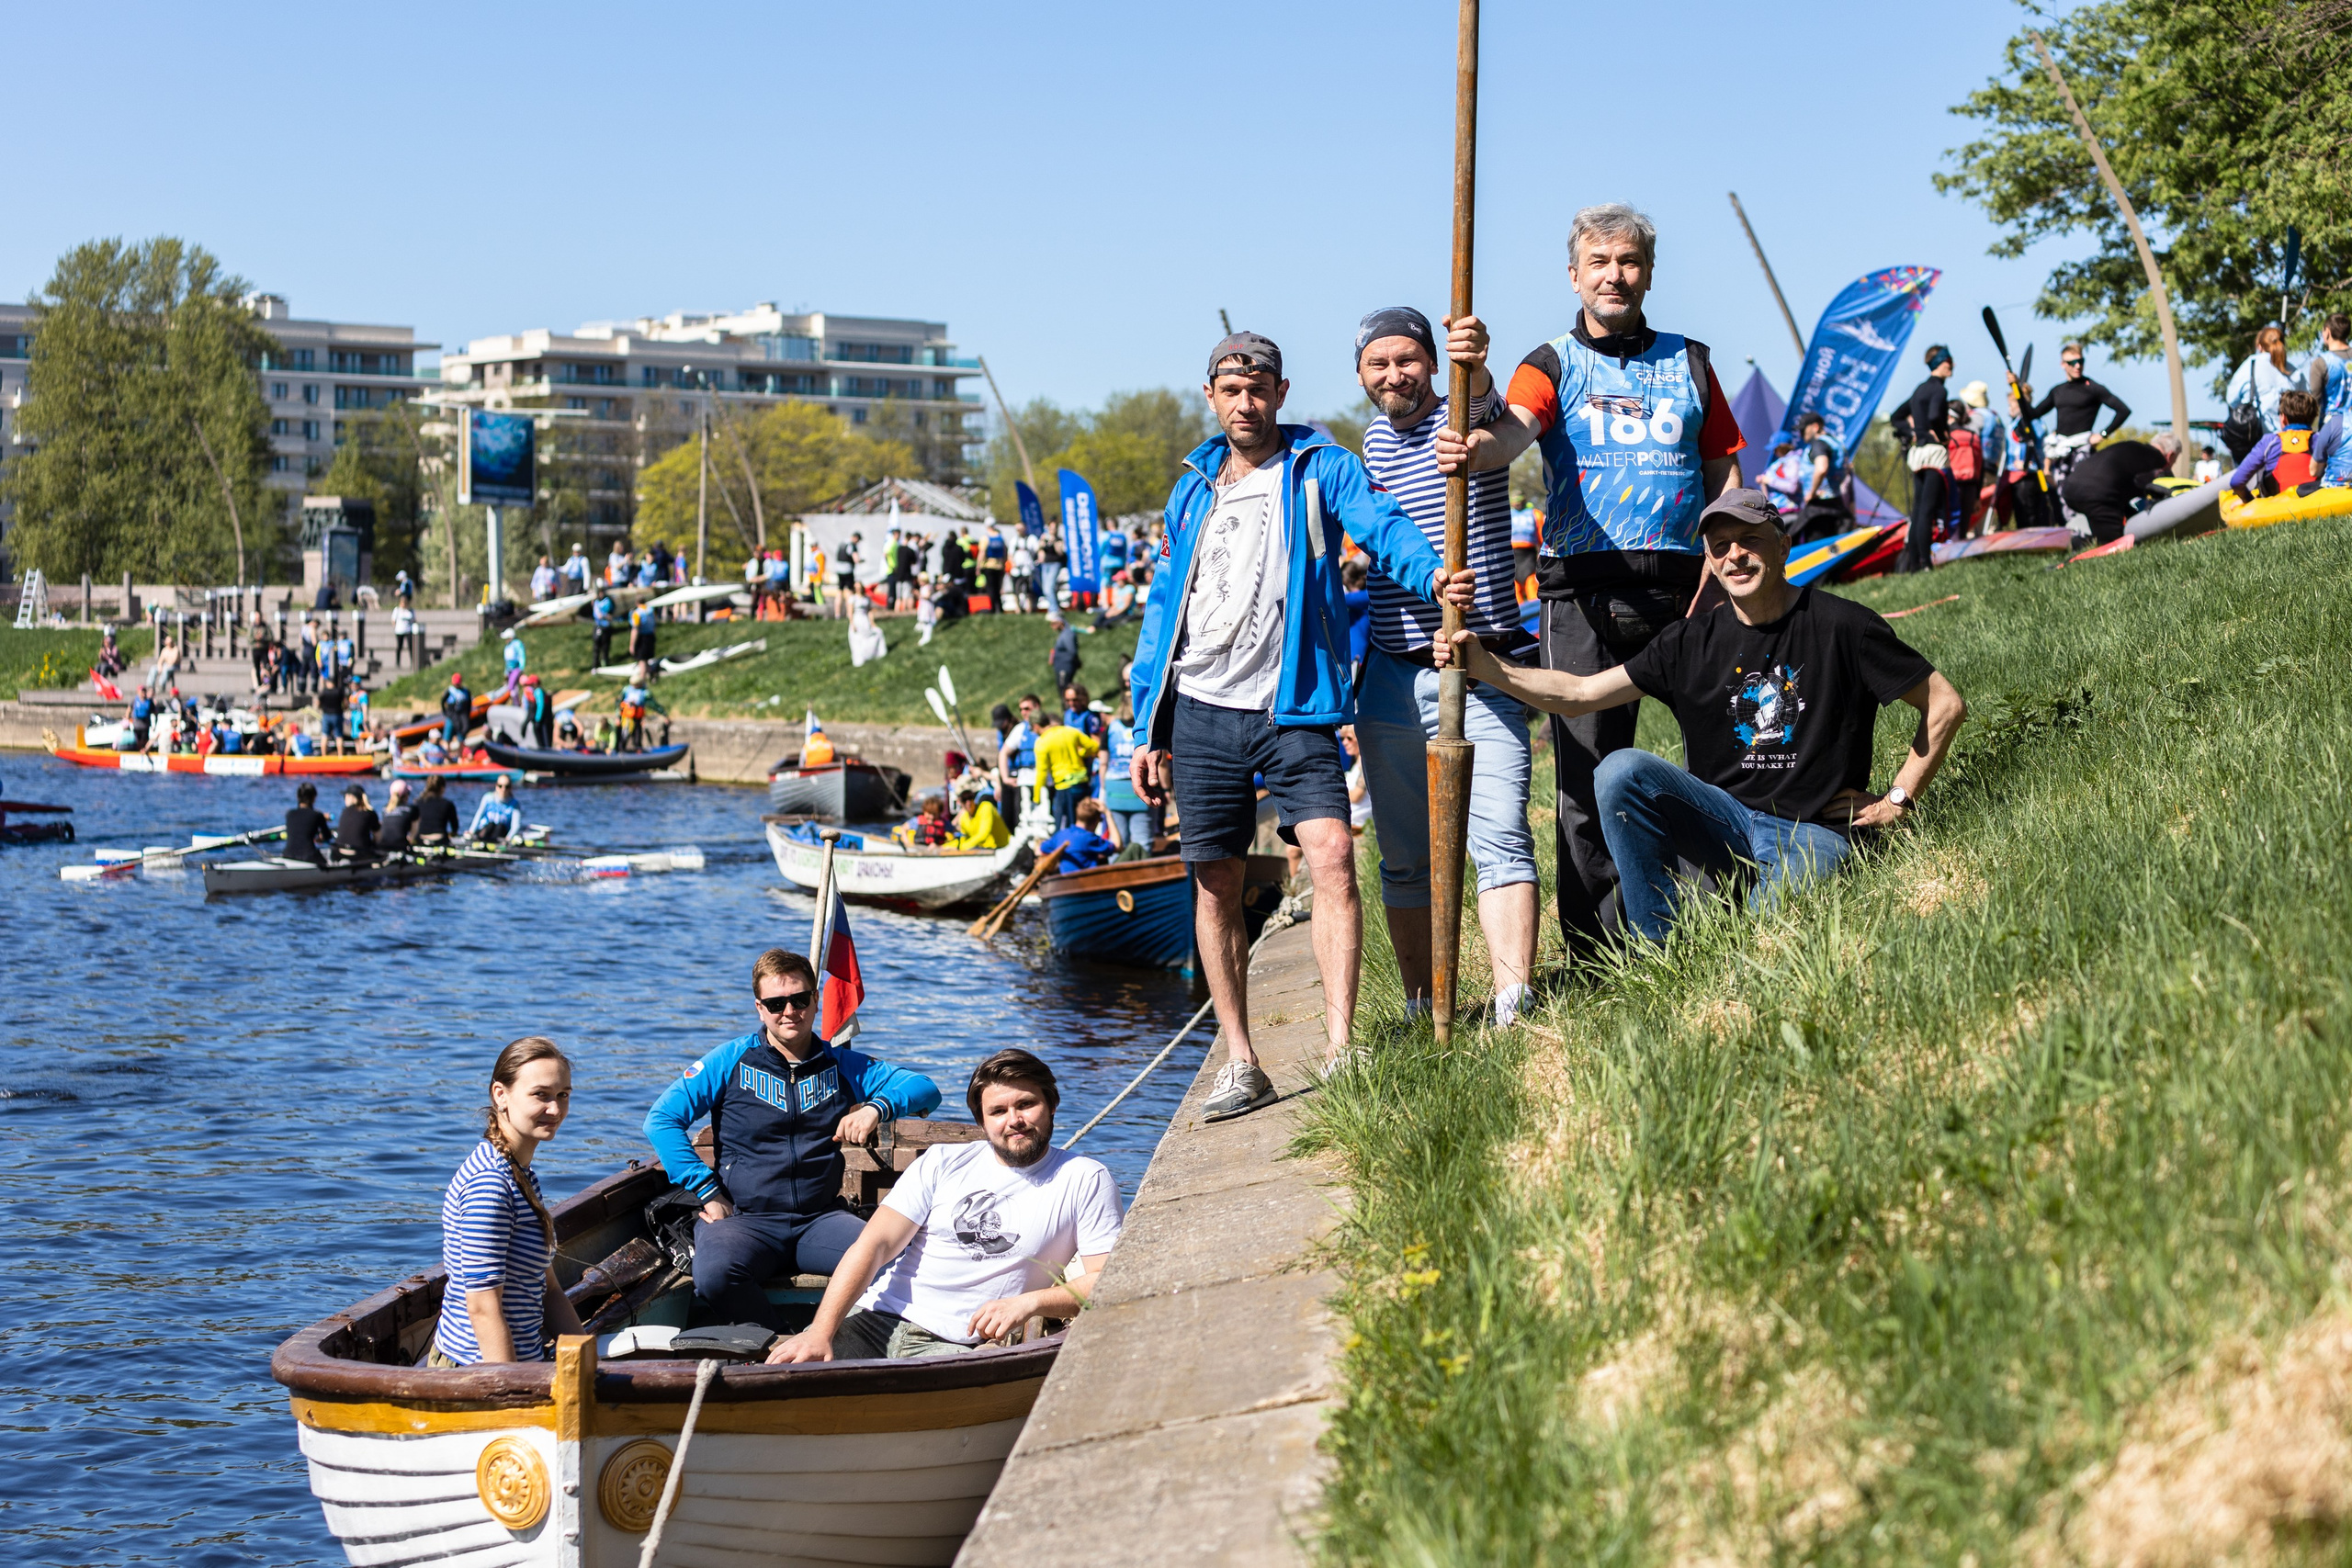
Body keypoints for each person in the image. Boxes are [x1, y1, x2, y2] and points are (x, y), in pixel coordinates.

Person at [1133, 329, 1476, 1114]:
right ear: (1212, 397)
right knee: (1216, 880)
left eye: (1259, 390)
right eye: (1231, 391)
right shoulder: (1192, 486)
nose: (1245, 403)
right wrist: (1143, 727)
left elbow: (1380, 526)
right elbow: (1163, 610)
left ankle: (1342, 1047)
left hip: (1296, 705)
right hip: (1201, 708)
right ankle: (1243, 1059)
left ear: (1281, 394)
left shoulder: (1321, 466)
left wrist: (1433, 576)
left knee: (1329, 856)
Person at [1436, 488, 1967, 943]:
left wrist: (1899, 798)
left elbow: (1945, 703)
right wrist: (1485, 665)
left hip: (1815, 828)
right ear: (1709, 562)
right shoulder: (1690, 641)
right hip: (1725, 824)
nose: (1735, 555)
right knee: (1618, 770)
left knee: (1766, 937)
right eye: (1720, 547)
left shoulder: (1842, 625)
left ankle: (1737, 939)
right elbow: (1579, 693)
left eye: (1750, 540)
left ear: (1784, 546)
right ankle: (1662, 947)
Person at [1433, 203, 1745, 964]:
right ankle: (1601, 956)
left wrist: (1728, 567)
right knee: (1585, 781)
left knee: (1730, 758)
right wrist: (1472, 439)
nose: (1615, 275)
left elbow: (1726, 473)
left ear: (1648, 273)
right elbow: (1508, 435)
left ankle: (1734, 909)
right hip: (1580, 593)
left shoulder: (1692, 361)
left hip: (1686, 590)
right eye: (1599, 263)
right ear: (1574, 276)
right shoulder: (1550, 364)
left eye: (1629, 261)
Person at [1353, 303, 1540, 1028]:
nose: (1395, 373)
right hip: (1392, 671)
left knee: (1498, 833)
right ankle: (1421, 1004)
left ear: (1433, 363)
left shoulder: (1461, 417)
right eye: (1379, 363)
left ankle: (1512, 1004)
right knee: (1403, 857)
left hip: (1481, 659)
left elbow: (1493, 406)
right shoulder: (1368, 444)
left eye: (1409, 359)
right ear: (1362, 373)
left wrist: (1478, 362)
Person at [644, 948, 943, 1328]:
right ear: (759, 1007)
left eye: (800, 999)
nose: (789, 1011)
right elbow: (661, 1120)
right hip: (744, 1220)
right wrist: (707, 1191)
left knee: (898, 1265)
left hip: (820, 1220)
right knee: (716, 1276)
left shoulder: (842, 1065)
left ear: (815, 1001)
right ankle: (776, 1345)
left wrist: (874, 1108)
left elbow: (925, 1089)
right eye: (776, 1002)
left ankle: (846, 1342)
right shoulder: (730, 1060)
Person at [767, 1050, 1120, 1364]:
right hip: (876, 1319)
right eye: (998, 1111)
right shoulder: (942, 1161)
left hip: (960, 1345)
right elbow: (873, 1246)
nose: (1014, 1120)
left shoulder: (1084, 1178)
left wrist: (1029, 1303)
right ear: (982, 1123)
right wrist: (820, 1332)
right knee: (787, 1374)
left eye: (1026, 1104)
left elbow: (1104, 1280)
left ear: (1052, 1105)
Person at [429, 1036, 583, 1366]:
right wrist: (511, 1392)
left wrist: (589, 1364)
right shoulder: (490, 1184)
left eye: (563, 1096)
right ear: (501, 1095)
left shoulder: (519, 1174)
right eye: (540, 1095)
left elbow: (549, 1289)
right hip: (478, 1374)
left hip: (523, 1364)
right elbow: (482, 1307)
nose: (555, 1109)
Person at [2030, 342, 2135, 535]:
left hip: (2083, 448)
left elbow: (2123, 410)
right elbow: (2032, 413)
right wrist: (2018, 390)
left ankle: (2096, 529)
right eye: (2073, 362)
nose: (2078, 366)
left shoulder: (2092, 388)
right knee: (2063, 493)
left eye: (2081, 361)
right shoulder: (2058, 391)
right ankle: (2074, 532)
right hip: (2061, 451)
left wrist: (2103, 434)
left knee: (2082, 489)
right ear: (2063, 364)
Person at [1893, 344, 1957, 572]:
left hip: (1917, 453)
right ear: (1942, 362)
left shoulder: (1919, 389)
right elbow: (1933, 415)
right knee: (1928, 509)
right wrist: (1942, 434)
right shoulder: (1939, 390)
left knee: (1919, 510)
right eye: (1950, 362)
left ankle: (1915, 564)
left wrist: (1912, 433)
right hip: (1933, 452)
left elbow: (1896, 416)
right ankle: (1926, 563)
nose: (1953, 366)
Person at [2067, 432, 2185, 542]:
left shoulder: (2132, 447)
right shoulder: (2159, 462)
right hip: (2097, 495)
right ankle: (2082, 544)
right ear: (2171, 455)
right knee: (2115, 546)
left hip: (2070, 488)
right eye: (2175, 460)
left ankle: (2081, 541)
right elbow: (2160, 492)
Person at [2227, 390, 2338, 502]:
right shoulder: (2322, 439)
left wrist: (2249, 502)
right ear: (2313, 417)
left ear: (2283, 417)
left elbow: (2237, 482)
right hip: (2316, 504)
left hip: (2278, 509)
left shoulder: (2268, 442)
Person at [2227, 325, 2305, 446]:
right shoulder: (2295, 372)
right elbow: (2306, 405)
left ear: (2259, 346)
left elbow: (2231, 399)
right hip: (2288, 441)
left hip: (2255, 437)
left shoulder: (2251, 364)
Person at [1098, 698, 1155, 854]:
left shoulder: (1111, 728)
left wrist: (1103, 788)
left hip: (1114, 788)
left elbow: (1103, 763)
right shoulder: (1145, 728)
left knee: (1117, 839)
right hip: (1140, 786)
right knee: (1142, 840)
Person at [1031, 705, 1099, 832]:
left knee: (1065, 828)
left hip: (1064, 787)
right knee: (1085, 822)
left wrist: (1036, 797)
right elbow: (1094, 747)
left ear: (1035, 726)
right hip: (1082, 784)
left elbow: (1041, 773)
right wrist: (1080, 753)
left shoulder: (1042, 742)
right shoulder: (1070, 731)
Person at [1038, 797, 1116, 871]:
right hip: (1088, 882)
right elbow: (1118, 846)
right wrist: (1108, 813)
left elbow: (1041, 850)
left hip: (1065, 882)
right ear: (1095, 822)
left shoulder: (1061, 835)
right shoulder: (1090, 838)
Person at [950, 775, 1012, 851]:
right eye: (964, 799)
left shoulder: (986, 807)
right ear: (959, 802)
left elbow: (983, 835)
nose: (968, 802)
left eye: (970, 797)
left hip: (1003, 849)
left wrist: (960, 847)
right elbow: (963, 841)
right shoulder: (963, 819)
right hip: (986, 851)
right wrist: (943, 847)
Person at [284, 782, 331, 866]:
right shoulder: (317, 815)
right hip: (308, 856)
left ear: (298, 797)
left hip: (287, 855)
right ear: (313, 798)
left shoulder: (289, 814)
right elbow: (327, 836)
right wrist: (320, 838)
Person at [469, 775, 523, 843]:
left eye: (507, 787)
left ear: (510, 788)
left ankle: (494, 845)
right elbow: (479, 815)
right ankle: (480, 841)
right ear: (496, 786)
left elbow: (516, 826)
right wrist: (471, 831)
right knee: (491, 825)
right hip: (485, 831)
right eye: (500, 786)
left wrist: (508, 838)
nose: (503, 789)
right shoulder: (488, 797)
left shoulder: (514, 804)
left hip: (501, 835)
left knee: (499, 826)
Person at [333, 784, 379, 860]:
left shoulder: (344, 811)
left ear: (351, 797)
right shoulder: (370, 813)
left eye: (345, 796)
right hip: (359, 854)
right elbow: (378, 838)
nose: (344, 799)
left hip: (338, 853)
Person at [376, 779, 418, 853]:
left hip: (382, 847)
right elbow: (414, 834)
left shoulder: (385, 808)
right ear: (406, 795)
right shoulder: (412, 809)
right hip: (401, 848)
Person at [415, 775, 460, 843]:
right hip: (440, 840)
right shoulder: (448, 804)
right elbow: (455, 828)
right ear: (442, 788)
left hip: (420, 839)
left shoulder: (418, 803)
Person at [1046, 611, 1080, 693]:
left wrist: (1077, 662)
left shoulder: (1067, 634)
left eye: (1053, 623)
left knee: (1064, 691)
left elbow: (1072, 651)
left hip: (1065, 667)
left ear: (1060, 622)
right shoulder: (1063, 634)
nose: (1052, 626)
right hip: (1061, 666)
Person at [519, 674, 553, 750]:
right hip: (545, 719)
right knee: (545, 740)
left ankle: (546, 754)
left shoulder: (538, 691)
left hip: (543, 720)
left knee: (545, 740)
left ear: (535, 683)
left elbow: (540, 705)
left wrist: (537, 719)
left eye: (531, 684)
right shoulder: (539, 691)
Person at [440, 671, 472, 747]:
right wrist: (445, 712)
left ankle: (460, 756)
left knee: (462, 735)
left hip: (462, 715)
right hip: (452, 715)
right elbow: (442, 702)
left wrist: (467, 716)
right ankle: (447, 754)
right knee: (447, 736)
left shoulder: (466, 691)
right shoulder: (449, 691)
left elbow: (469, 705)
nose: (457, 685)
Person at [591, 584, 617, 670]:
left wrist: (603, 615)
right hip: (598, 626)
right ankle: (595, 664)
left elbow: (608, 613)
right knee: (596, 645)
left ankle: (605, 662)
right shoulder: (596, 601)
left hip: (606, 626)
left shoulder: (607, 601)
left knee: (605, 645)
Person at [499, 628, 526, 700]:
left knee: (511, 686)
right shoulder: (507, 647)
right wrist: (506, 672)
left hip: (516, 668)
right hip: (509, 669)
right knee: (512, 687)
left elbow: (521, 655)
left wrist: (521, 668)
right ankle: (515, 702)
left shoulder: (517, 643)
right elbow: (507, 661)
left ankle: (517, 703)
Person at [391, 601, 418, 670]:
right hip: (399, 631)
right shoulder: (397, 610)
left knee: (411, 647)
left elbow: (414, 620)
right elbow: (393, 620)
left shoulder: (410, 611)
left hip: (409, 630)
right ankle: (397, 663)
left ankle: (413, 663)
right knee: (399, 647)